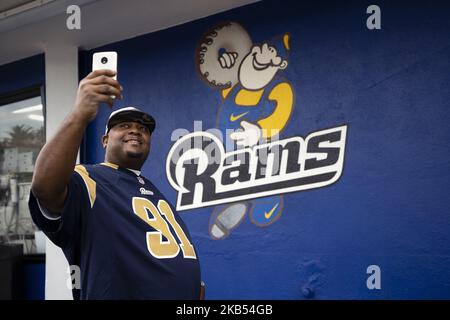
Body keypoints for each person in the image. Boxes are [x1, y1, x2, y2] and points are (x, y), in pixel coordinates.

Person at [28, 69, 201, 299]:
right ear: (105, 140)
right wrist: (79, 115)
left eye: (143, 129)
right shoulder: (88, 178)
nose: (135, 130)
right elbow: (44, 187)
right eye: (123, 126)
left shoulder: (152, 190)